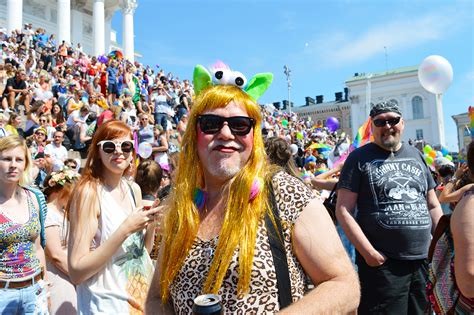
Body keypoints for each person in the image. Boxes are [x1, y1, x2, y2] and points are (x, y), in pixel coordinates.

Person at [146, 65, 359, 313]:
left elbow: (343, 285)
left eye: (239, 125)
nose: (225, 133)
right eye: (211, 123)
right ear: (195, 134)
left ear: (254, 135)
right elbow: (155, 298)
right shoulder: (182, 205)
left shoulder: (283, 192)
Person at [336, 101, 443, 314]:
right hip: (383, 265)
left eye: (393, 120)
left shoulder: (416, 155)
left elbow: (432, 204)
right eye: (380, 122)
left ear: (402, 123)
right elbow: (343, 210)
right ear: (372, 126)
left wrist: (442, 245)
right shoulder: (359, 158)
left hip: (421, 261)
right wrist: (369, 254)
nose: (387, 126)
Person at [67, 120, 159, 314]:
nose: (118, 152)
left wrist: (151, 223)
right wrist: (126, 228)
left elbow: (140, 253)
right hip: (107, 304)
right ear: (98, 153)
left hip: (139, 299)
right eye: (109, 147)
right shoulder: (89, 193)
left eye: (125, 146)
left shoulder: (133, 189)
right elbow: (76, 271)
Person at [0, 135, 49, 314]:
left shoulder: (34, 198)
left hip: (35, 290)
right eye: (6, 159)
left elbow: (38, 248)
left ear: (25, 164)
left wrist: (45, 286)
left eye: (19, 159)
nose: (13, 165)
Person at [43, 167, 80, 314]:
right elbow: (55, 255)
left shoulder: (63, 212)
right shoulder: (48, 213)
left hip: (69, 272)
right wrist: (78, 275)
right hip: (58, 275)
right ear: (60, 190)